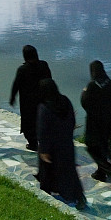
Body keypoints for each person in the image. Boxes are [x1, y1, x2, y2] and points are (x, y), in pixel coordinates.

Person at [36, 78, 86, 210]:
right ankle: (79, 197)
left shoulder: (44, 107)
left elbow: (42, 130)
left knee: (47, 174)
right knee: (69, 173)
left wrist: (44, 150)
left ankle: (45, 199)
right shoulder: (65, 101)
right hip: (66, 145)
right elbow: (72, 121)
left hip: (51, 148)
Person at [80, 60, 111, 182]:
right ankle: (101, 172)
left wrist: (85, 90)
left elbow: (84, 101)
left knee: (91, 145)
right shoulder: (109, 82)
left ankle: (106, 168)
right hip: (109, 120)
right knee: (103, 145)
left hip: (95, 122)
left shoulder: (92, 85)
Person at [10, 45, 51, 151]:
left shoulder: (22, 69)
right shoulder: (44, 65)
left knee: (28, 124)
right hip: (43, 99)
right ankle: (44, 142)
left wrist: (12, 97)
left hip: (28, 102)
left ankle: (33, 144)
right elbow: (49, 80)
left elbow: (16, 85)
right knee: (42, 121)